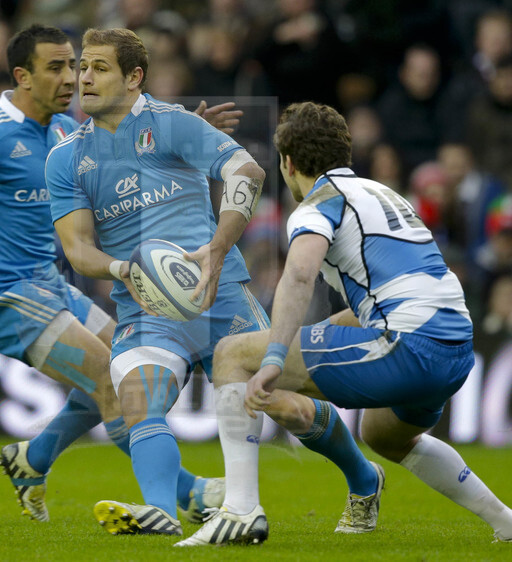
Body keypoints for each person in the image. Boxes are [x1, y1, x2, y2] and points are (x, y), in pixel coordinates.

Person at [0, 23, 239, 525]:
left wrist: (182, 135)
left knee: (122, 364)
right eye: (56, 67)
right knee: (116, 387)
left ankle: (34, 458)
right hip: (5, 297)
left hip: (52, 288)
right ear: (22, 77)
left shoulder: (69, 131)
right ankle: (191, 494)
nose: (71, 77)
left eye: (73, 64)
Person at [47, 28, 379, 538]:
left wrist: (220, 246)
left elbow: (246, 171)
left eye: (98, 67)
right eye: (81, 67)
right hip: (145, 302)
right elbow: (77, 248)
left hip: (218, 294)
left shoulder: (175, 125)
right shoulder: (66, 157)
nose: (83, 77)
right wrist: (122, 270)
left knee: (281, 403)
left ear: (135, 78)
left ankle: (363, 476)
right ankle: (159, 509)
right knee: (139, 396)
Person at [177, 101, 512, 547]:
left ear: (288, 162)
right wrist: (326, 328)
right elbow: (395, 289)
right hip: (455, 346)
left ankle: (239, 511)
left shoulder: (318, 205)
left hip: (409, 346)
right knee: (382, 434)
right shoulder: (384, 195)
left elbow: (299, 273)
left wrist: (275, 356)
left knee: (232, 354)